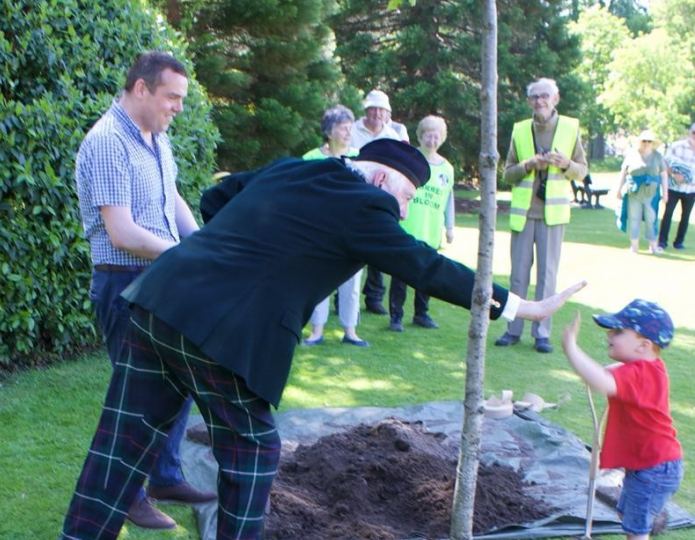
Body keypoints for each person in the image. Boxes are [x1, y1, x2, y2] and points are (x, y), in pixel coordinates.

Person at [60, 138, 586, 540]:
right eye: (405, 196)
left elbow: (217, 195)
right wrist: (517, 304)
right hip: (220, 332)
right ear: (381, 178)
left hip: (158, 300)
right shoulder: (366, 206)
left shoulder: (298, 168)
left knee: (122, 443)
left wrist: (246, 256)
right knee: (254, 450)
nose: (403, 211)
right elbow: (424, 267)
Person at [73, 51, 215, 531]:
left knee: (181, 380)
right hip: (123, 281)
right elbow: (122, 232)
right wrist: (183, 257)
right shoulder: (108, 141)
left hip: (159, 277)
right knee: (138, 398)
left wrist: (204, 247)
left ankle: (165, 475)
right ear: (141, 89)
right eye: (172, 97)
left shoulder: (156, 138)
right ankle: (130, 494)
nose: (178, 106)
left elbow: (170, 198)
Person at [561, 300, 683, 540]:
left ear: (643, 345)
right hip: (652, 465)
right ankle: (649, 514)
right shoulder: (651, 367)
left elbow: (599, 382)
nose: (609, 334)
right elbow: (611, 374)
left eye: (618, 331)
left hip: (653, 468)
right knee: (627, 517)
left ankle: (649, 517)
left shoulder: (638, 375)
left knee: (635, 532)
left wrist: (571, 348)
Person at [495, 77, 588, 354]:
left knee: (547, 277)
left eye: (545, 96)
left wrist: (566, 164)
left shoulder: (570, 127)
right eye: (535, 96)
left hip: (554, 215)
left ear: (555, 99)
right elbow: (507, 174)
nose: (540, 101)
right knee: (518, 277)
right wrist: (529, 164)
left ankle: (542, 334)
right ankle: (512, 330)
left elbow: (582, 171)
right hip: (524, 214)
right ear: (528, 101)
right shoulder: (521, 130)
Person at [301, 105, 368, 347]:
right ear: (329, 131)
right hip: (319, 231)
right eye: (343, 128)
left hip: (351, 230)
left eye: (350, 128)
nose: (348, 132)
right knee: (318, 281)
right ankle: (316, 331)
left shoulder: (360, 158)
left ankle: (350, 331)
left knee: (351, 283)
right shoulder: (311, 158)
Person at [389, 115, 455, 332]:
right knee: (400, 275)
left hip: (431, 230)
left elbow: (448, 199)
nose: (432, 140)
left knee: (426, 274)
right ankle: (396, 316)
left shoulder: (447, 168)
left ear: (442, 138)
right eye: (428, 135)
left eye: (436, 136)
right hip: (407, 226)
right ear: (420, 135)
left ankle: (421, 314)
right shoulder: (410, 158)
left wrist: (450, 227)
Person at [350, 89, 402, 315]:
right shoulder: (351, 130)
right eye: (374, 108)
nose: (377, 113)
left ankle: (374, 297)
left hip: (380, 196)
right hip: (352, 194)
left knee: (377, 245)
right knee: (348, 245)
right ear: (366, 109)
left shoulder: (393, 137)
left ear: (387, 112)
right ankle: (341, 298)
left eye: (382, 109)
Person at [616, 130, 668, 254]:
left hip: (651, 193)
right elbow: (623, 173)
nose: (646, 143)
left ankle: (653, 247)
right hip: (634, 192)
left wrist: (665, 193)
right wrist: (618, 190)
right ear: (640, 142)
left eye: (649, 141)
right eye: (644, 141)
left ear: (653, 143)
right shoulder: (632, 154)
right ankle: (634, 247)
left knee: (651, 219)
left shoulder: (658, 156)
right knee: (634, 218)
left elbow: (664, 175)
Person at [659, 122, 695, 250]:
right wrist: (673, 174)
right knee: (667, 214)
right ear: (689, 132)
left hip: (691, 189)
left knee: (685, 217)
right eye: (694, 132)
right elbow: (663, 161)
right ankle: (662, 241)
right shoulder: (677, 146)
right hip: (674, 187)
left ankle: (679, 242)